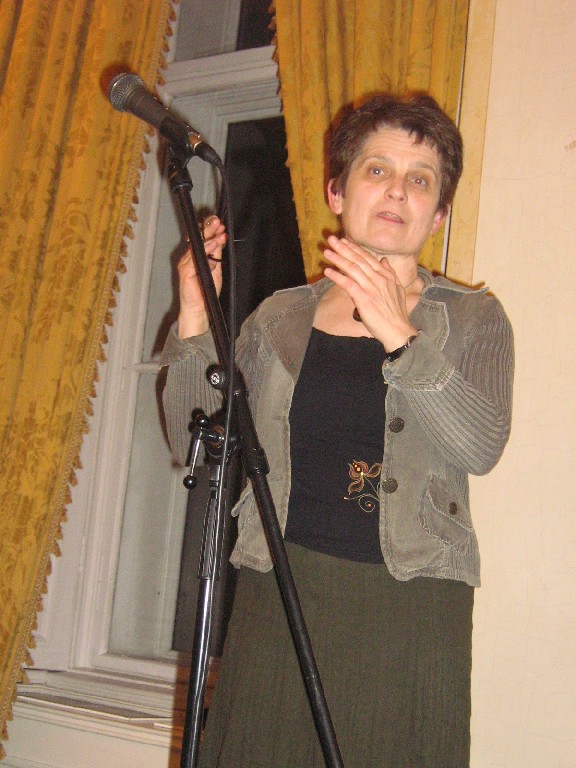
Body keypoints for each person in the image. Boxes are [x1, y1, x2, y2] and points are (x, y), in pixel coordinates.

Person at [160, 94, 514, 768]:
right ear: (337, 191)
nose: (398, 190)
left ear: (439, 214)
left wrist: (399, 332)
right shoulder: (276, 319)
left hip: (406, 611)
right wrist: (194, 319)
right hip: (277, 596)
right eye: (377, 170)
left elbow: (481, 445)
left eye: (420, 179)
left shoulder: (474, 319)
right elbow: (190, 441)